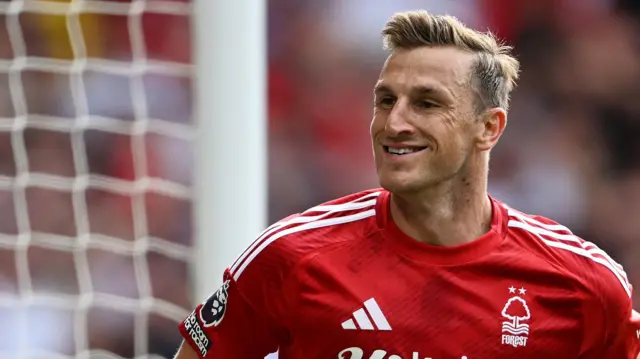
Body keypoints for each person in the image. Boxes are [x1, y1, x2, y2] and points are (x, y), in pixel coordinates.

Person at [174, 10, 639, 359]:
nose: (394, 123)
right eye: (385, 100)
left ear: (489, 128)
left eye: (427, 103)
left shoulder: (582, 284)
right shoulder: (295, 255)